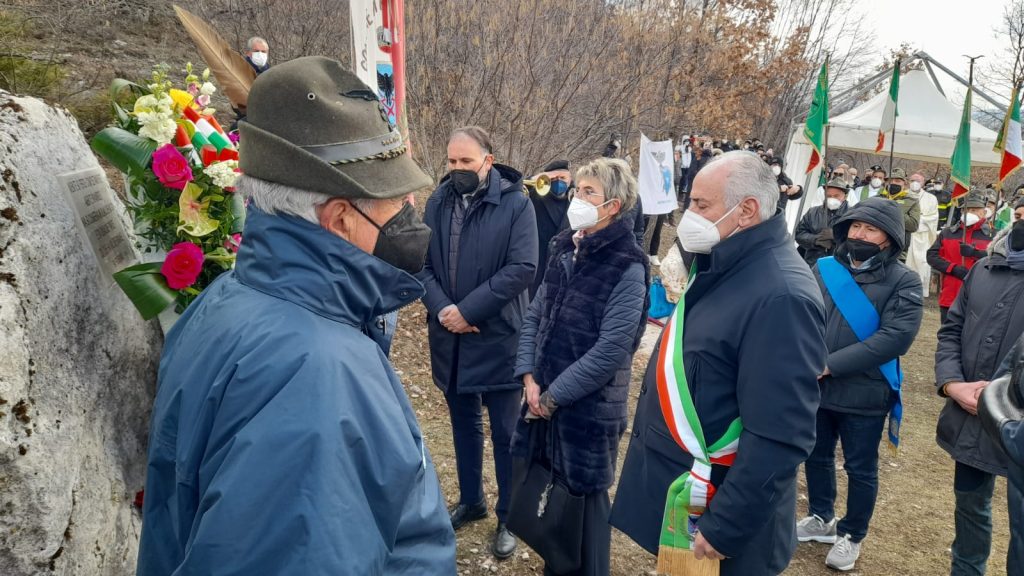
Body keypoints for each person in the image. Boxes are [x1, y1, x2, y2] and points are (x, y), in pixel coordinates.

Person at [135, 57, 455, 575]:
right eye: (395, 201)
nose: (412, 211)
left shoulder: (226, 299)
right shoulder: (315, 376)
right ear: (341, 218)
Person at [610, 151, 828, 575]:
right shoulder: (725, 263)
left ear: (746, 210)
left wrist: (726, 524)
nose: (688, 215)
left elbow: (781, 434)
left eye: (700, 205)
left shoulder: (782, 296)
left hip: (722, 520)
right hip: (687, 493)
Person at [511, 157, 649, 576]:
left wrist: (553, 396)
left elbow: (611, 350)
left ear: (615, 205)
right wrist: (529, 377)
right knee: (546, 502)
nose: (578, 199)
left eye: (590, 192)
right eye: (578, 190)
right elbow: (535, 313)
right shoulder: (563, 246)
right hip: (543, 397)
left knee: (582, 513)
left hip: (586, 411)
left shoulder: (628, 264)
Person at [418, 126, 538, 559]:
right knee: (463, 422)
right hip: (449, 337)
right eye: (451, 161)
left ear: (488, 160)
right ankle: (473, 500)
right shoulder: (437, 200)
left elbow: (522, 267)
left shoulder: (517, 204)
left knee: (506, 432)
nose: (456, 169)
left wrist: (468, 310)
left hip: (498, 335)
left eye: (465, 162)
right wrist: (444, 310)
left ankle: (510, 514)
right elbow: (421, 262)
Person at [797, 197, 923, 572]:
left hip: (865, 391)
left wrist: (830, 365)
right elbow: (801, 314)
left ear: (889, 238)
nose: (860, 234)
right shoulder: (821, 268)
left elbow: (895, 338)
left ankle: (852, 534)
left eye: (870, 229)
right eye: (855, 226)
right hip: (815, 387)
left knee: (860, 467)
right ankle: (821, 517)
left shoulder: (905, 281)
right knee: (816, 455)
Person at [935, 218, 1024, 576]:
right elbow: (952, 329)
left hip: (1017, 424)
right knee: (970, 505)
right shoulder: (984, 269)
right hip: (973, 417)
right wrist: (952, 383)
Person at [927, 190, 994, 324]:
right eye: (966, 209)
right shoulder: (947, 233)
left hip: (979, 297)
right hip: (950, 294)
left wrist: (976, 253)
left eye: (974, 210)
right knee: (947, 336)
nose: (969, 213)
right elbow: (932, 256)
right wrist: (953, 268)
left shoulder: (993, 235)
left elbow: (999, 260)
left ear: (984, 212)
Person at [528, 159, 572, 299]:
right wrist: (534, 179)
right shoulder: (537, 195)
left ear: (570, 178)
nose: (559, 182)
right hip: (538, 259)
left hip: (562, 264)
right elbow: (517, 189)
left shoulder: (577, 199)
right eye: (554, 178)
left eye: (563, 178)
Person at [796, 177, 850, 266]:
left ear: (845, 196)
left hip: (839, 265)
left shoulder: (851, 215)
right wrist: (815, 240)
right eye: (829, 196)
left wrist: (836, 236)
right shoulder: (812, 212)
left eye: (836, 196)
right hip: (812, 264)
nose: (832, 198)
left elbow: (856, 242)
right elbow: (799, 234)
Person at [877, 168, 921, 261]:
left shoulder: (912, 201)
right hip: (876, 246)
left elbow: (913, 225)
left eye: (897, 181)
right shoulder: (877, 199)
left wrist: (894, 209)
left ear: (904, 183)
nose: (893, 183)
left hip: (898, 250)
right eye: (890, 180)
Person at [907, 173, 939, 296]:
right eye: (912, 180)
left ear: (923, 182)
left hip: (922, 237)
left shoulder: (931, 198)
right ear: (908, 181)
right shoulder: (903, 195)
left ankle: (919, 292)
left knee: (921, 264)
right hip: (907, 234)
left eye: (918, 180)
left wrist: (917, 221)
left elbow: (934, 217)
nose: (915, 183)